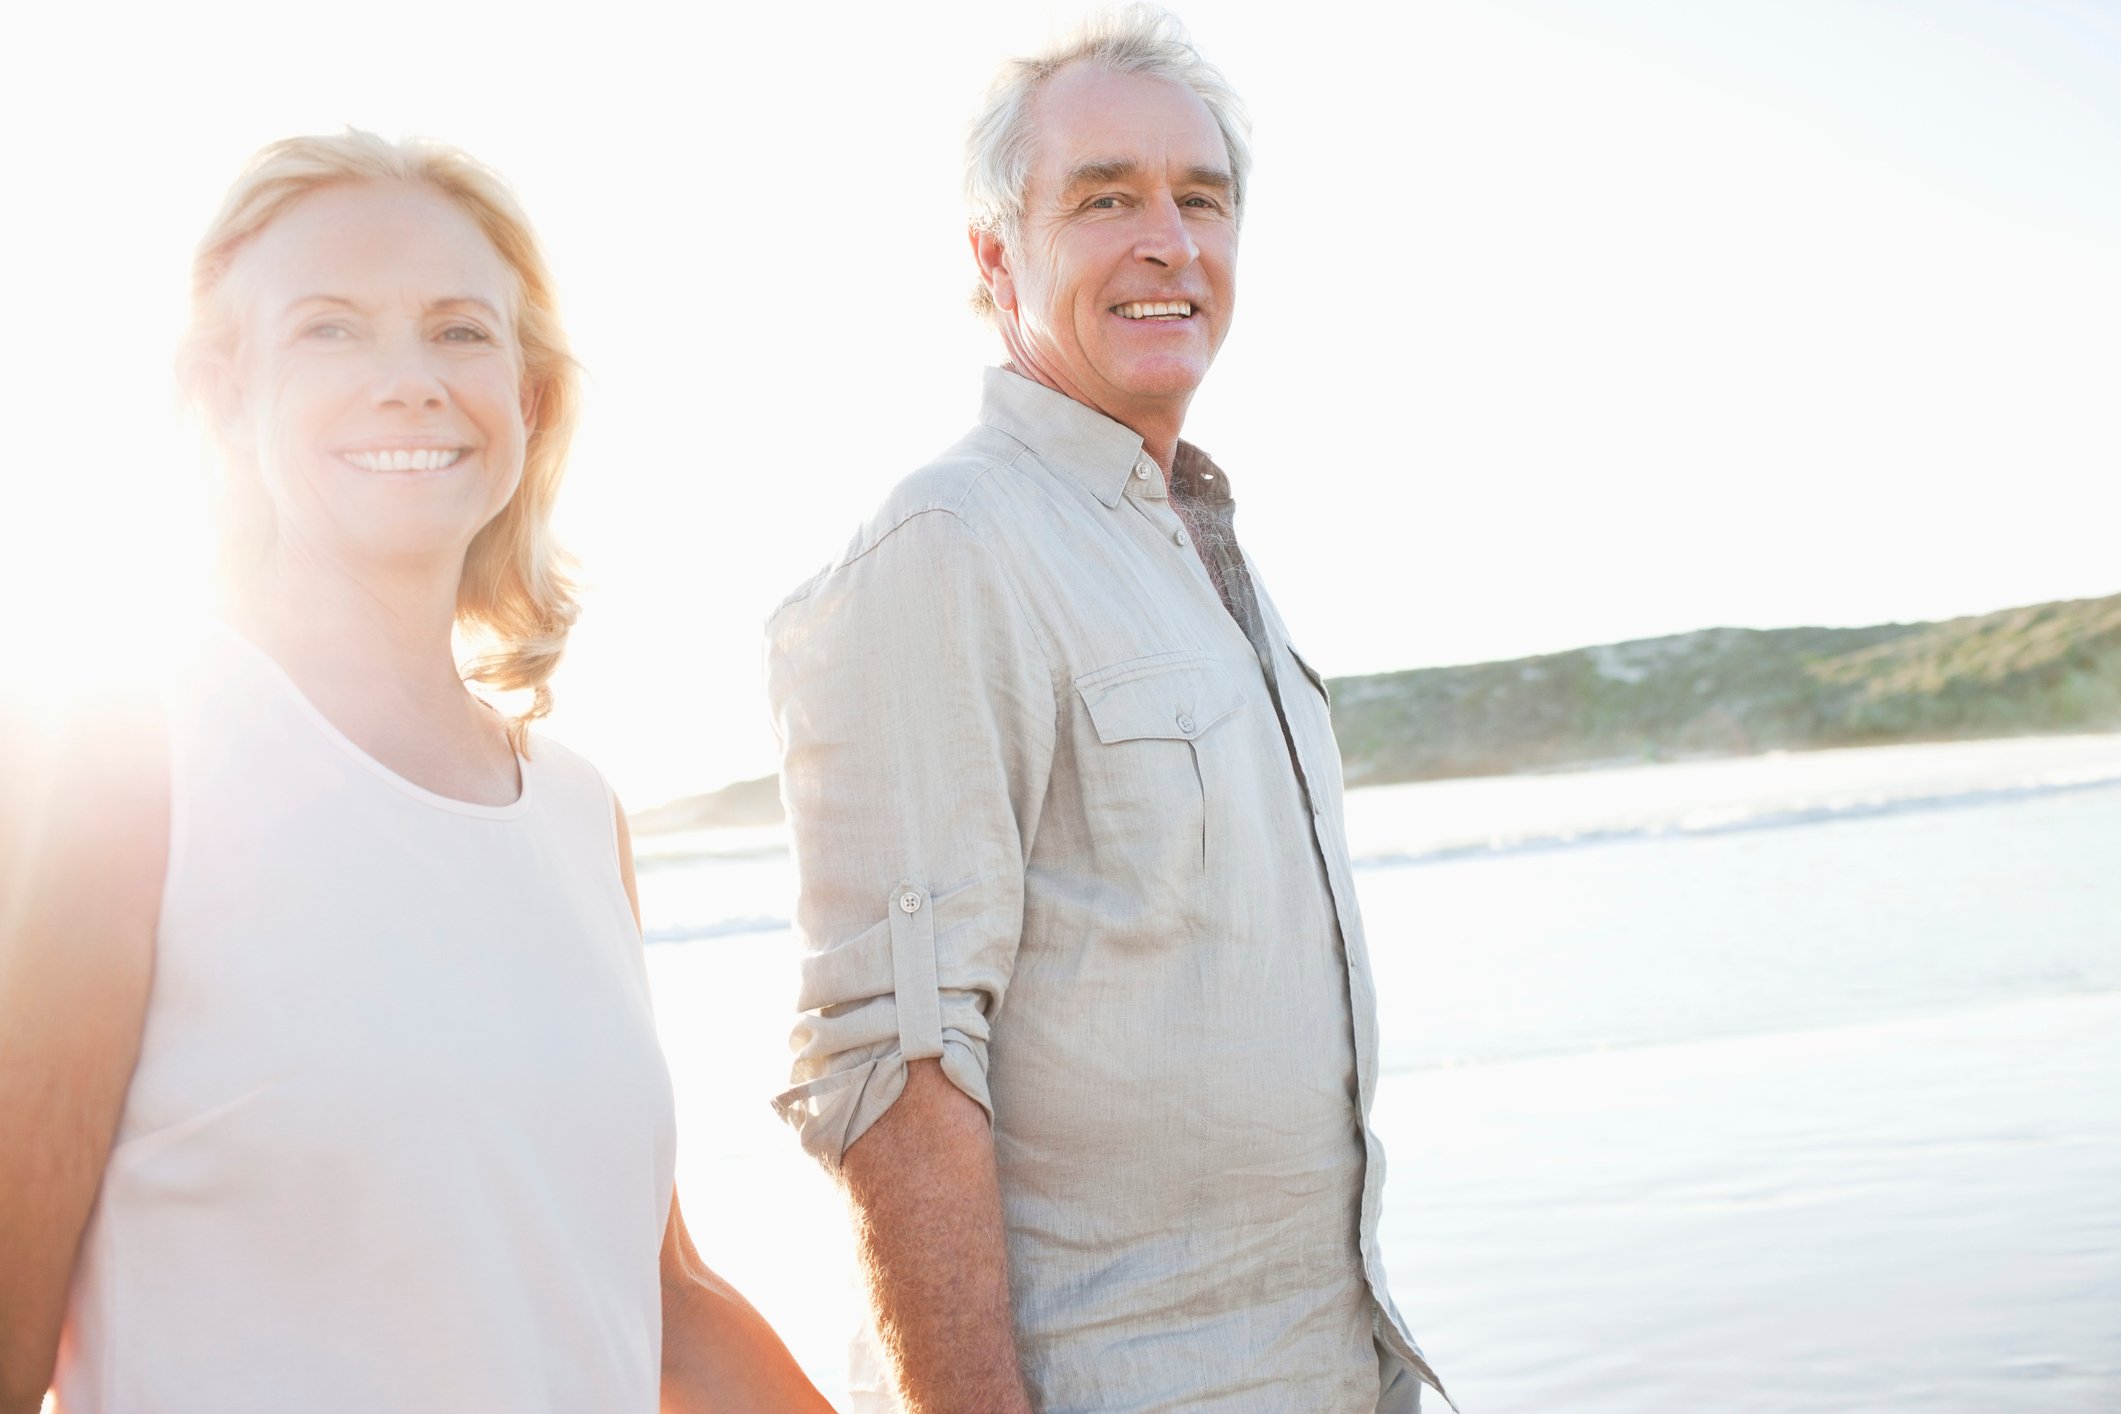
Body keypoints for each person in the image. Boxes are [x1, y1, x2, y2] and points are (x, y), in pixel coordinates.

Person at [0, 132, 831, 1414]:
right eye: (331, 330)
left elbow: (659, 1308)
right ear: (224, 393)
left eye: (459, 331)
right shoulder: (119, 755)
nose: (410, 382)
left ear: (532, 396)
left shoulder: (574, 810)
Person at [765, 7, 1451, 1413]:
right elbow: (895, 1064)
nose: (1167, 239)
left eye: (1200, 198)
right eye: (1103, 199)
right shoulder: (948, 544)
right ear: (992, 257)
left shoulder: (1201, 546)